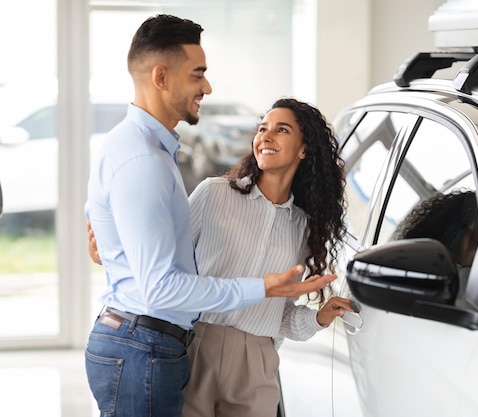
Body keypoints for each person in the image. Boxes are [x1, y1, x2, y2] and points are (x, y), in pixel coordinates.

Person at [83, 15, 336, 417]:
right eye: (197, 74)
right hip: (178, 342)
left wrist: (117, 253)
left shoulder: (155, 153)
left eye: (282, 130)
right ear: (162, 77)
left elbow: (159, 256)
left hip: (228, 353)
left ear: (306, 149)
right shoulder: (164, 169)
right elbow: (160, 285)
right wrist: (261, 287)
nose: (208, 87)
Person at [180, 97, 352, 417]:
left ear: (304, 149)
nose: (266, 136)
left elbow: (282, 315)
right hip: (197, 343)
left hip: (257, 359)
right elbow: (171, 267)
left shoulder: (303, 227)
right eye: (263, 128)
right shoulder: (213, 193)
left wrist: (319, 317)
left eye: (281, 130)